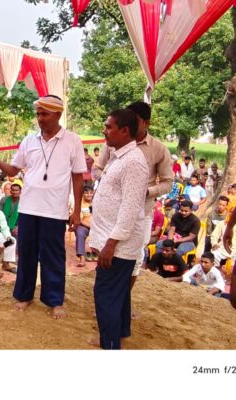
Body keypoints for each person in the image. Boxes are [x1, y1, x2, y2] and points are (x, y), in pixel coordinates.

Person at [0, 95, 86, 318]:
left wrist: (77, 211)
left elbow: (78, 177)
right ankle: (24, 295)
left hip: (55, 210)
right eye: (38, 114)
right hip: (28, 208)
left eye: (44, 114)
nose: (39, 118)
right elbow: (13, 170)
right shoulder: (29, 141)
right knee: (27, 253)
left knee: (53, 256)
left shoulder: (72, 141)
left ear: (58, 115)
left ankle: (54, 300)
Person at [93, 101, 172, 314]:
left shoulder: (157, 149)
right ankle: (114, 306)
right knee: (109, 262)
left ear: (145, 123)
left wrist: (145, 191)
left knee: (132, 261)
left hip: (141, 213)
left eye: (135, 121)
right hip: (111, 216)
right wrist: (110, 182)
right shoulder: (112, 143)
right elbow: (98, 169)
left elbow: (168, 183)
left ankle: (118, 304)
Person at [89, 108, 148, 350]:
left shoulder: (134, 162)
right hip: (112, 240)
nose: (104, 131)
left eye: (109, 127)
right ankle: (120, 334)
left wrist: (111, 243)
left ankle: (111, 344)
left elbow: (130, 208)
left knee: (106, 293)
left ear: (124, 131)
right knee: (119, 292)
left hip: (118, 245)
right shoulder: (119, 156)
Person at [75, 185, 94, 267]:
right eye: (86, 193)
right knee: (80, 232)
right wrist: (90, 226)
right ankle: (82, 257)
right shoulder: (80, 204)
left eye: (91, 193)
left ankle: (98, 254)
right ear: (83, 194)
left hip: (97, 226)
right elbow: (80, 220)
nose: (89, 195)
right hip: (85, 226)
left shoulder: (96, 202)